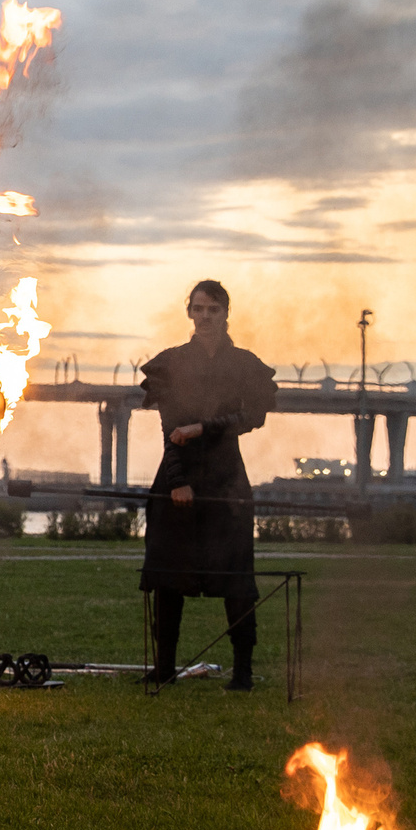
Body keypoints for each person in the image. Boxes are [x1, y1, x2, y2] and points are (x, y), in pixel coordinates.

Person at [140, 279, 279, 690]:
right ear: (189, 312)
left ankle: (243, 672)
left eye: (213, 310)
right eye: (198, 309)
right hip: (177, 476)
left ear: (225, 314)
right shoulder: (172, 363)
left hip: (226, 480)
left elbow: (250, 418)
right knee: (168, 577)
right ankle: (164, 668)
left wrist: (202, 426)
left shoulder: (245, 366)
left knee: (237, 577)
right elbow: (169, 428)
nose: (205, 317)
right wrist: (178, 482)